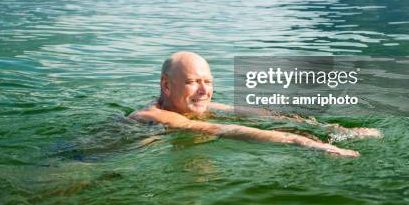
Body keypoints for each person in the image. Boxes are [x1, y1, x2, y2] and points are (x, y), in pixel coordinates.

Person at [130, 51, 382, 157]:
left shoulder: (187, 106)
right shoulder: (158, 116)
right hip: (101, 160)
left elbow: (252, 114)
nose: (205, 91)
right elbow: (222, 130)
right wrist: (304, 142)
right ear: (166, 85)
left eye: (208, 81)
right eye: (193, 82)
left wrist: (335, 129)